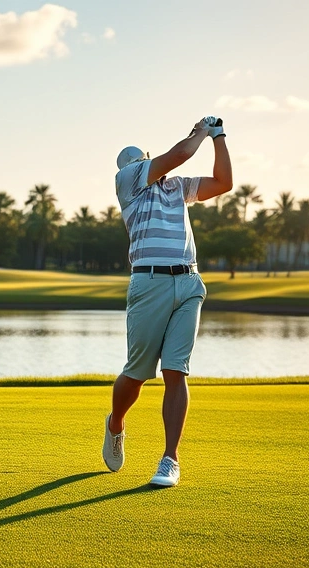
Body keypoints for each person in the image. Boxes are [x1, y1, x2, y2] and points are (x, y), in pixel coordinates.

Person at [102, 116, 233, 487]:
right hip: (149, 283)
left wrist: (219, 138)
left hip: (189, 282)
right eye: (137, 165)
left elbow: (224, 183)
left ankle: (169, 459)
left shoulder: (177, 188)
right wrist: (200, 133)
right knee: (138, 373)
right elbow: (177, 154)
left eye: (141, 161)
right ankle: (116, 422)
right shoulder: (128, 183)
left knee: (176, 370)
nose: (141, 167)